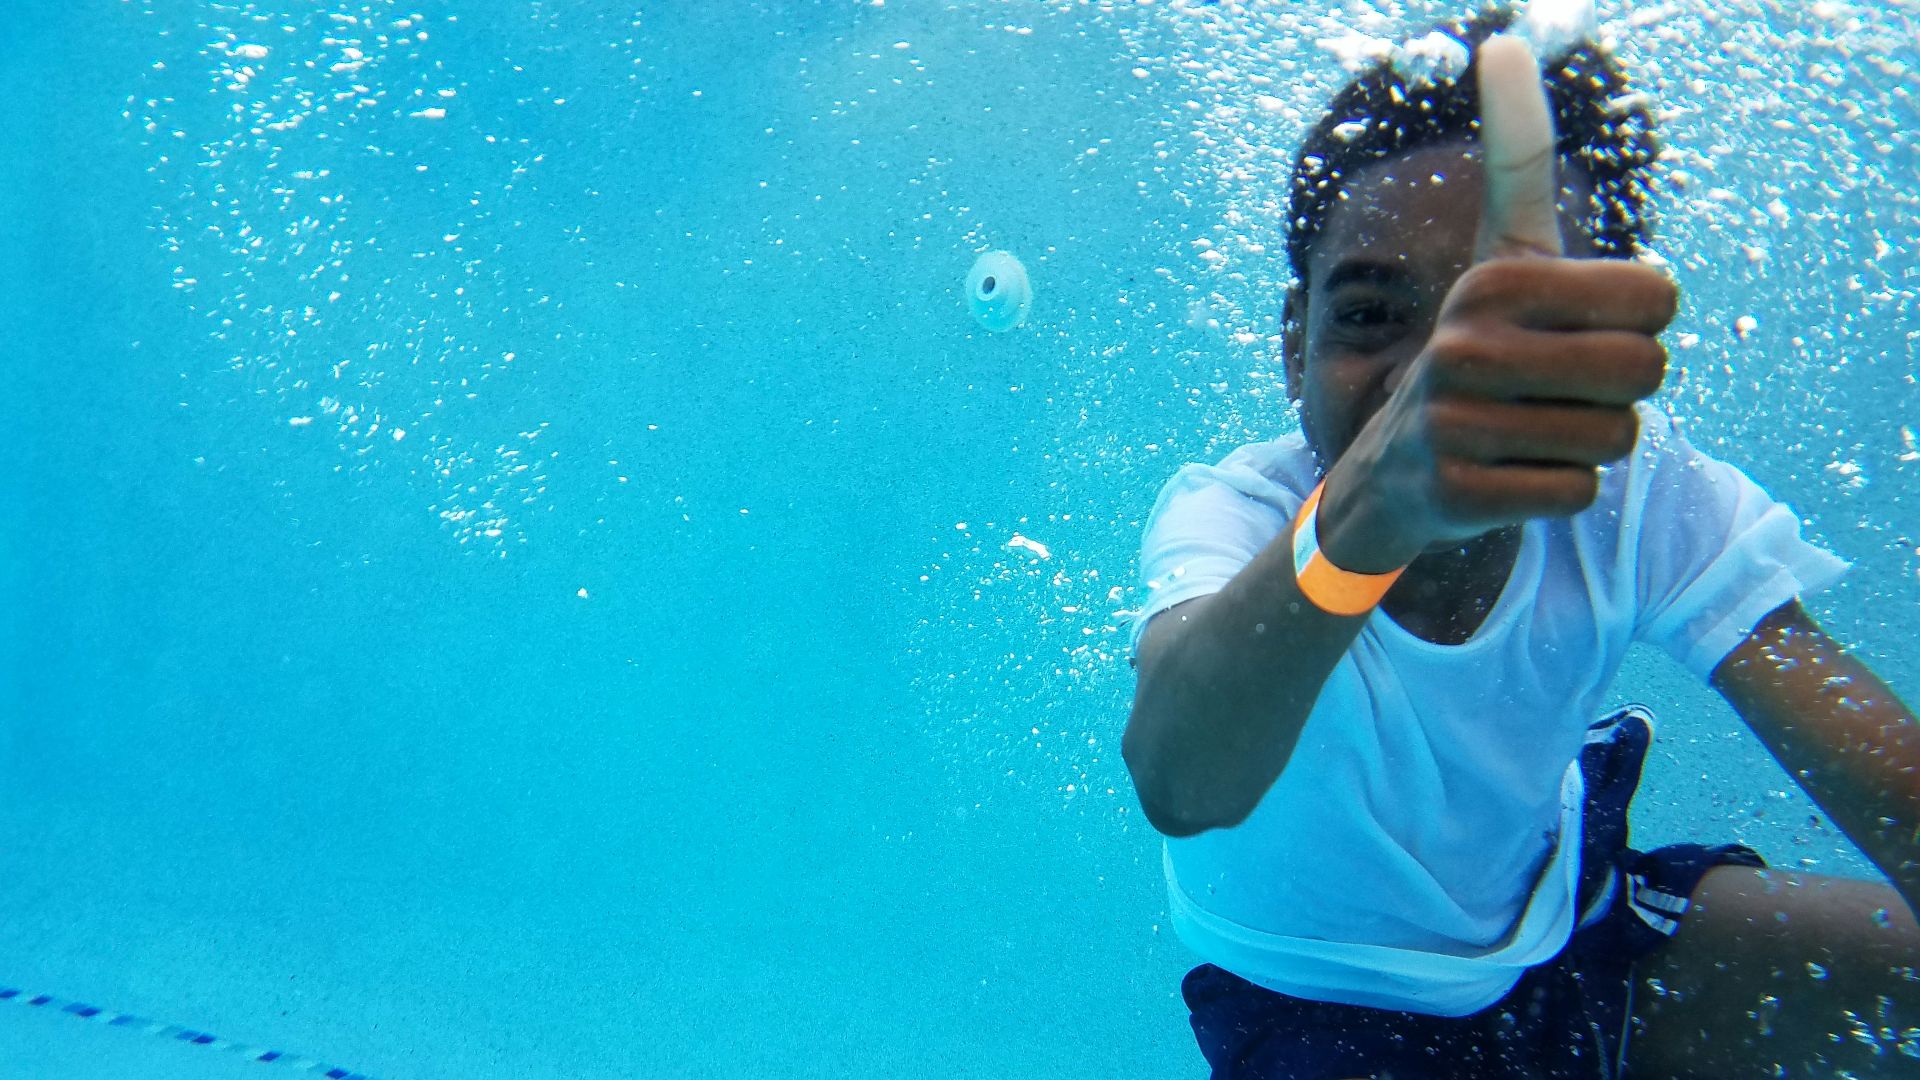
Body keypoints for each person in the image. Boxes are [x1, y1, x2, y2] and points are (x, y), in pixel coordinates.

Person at [1121, 7, 1920, 1079]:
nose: (1439, 375)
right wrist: (1369, 515)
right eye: (1370, 314)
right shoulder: (1236, 514)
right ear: (1292, 344)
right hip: (1321, 1006)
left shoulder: (1633, 485)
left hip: (1572, 919)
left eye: (1513, 322)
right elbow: (1181, 778)